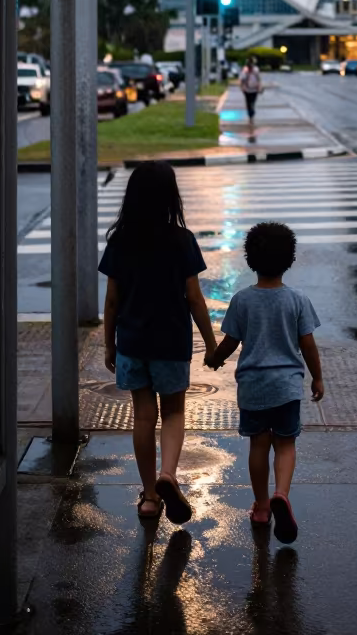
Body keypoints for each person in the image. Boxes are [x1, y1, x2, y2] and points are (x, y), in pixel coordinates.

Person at [99, 161, 217, 524]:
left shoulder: (121, 240)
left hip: (133, 343)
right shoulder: (182, 240)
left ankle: (150, 497)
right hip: (171, 343)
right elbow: (194, 298)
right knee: (175, 412)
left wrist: (109, 344)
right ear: (171, 197)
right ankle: (168, 474)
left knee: (143, 416)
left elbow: (112, 300)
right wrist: (212, 345)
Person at [206, 222, 323, 543]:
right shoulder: (297, 300)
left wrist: (214, 358)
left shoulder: (242, 300)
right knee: (285, 443)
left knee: (258, 444)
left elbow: (230, 341)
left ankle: (260, 506)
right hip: (286, 386)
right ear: (290, 258)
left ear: (250, 259)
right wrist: (318, 378)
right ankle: (281, 494)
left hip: (253, 386)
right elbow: (308, 345)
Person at [239, 57, 263, 122]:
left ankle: (252, 113)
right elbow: (242, 79)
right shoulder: (245, 70)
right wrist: (242, 87)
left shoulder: (256, 70)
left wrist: (259, 87)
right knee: (248, 103)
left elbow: (259, 79)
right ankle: (250, 115)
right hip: (247, 89)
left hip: (254, 89)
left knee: (253, 102)